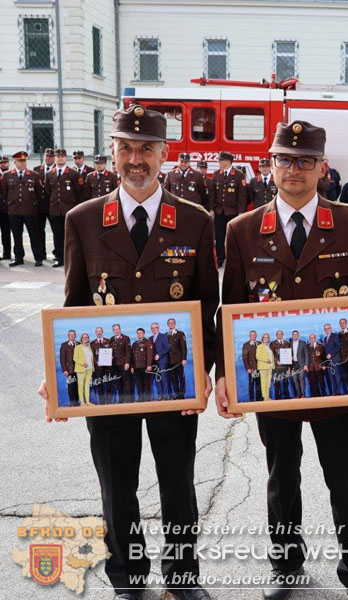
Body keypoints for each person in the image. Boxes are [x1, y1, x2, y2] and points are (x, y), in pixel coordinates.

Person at [41, 103, 219, 600]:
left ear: (165, 154)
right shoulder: (84, 219)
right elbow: (74, 305)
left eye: (146, 149)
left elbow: (208, 306)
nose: (135, 159)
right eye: (126, 149)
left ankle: (183, 578)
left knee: (178, 485)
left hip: (172, 381)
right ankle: (127, 577)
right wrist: (58, 375)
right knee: (117, 486)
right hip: (107, 382)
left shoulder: (194, 221)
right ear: (112, 153)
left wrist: (201, 372)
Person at [213, 119, 348, 600]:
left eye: (305, 160)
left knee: (345, 477)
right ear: (270, 166)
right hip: (275, 383)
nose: (295, 169)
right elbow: (228, 311)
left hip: (336, 383)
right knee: (280, 476)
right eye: (285, 160)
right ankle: (286, 565)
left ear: (322, 167)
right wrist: (225, 374)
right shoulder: (242, 230)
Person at [0, 151, 45, 266]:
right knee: (16, 235)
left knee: (34, 235)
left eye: (24, 161)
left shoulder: (34, 175)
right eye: (20, 161)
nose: (22, 163)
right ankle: (19, 258)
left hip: (30, 210)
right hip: (14, 211)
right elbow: (4, 193)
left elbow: (39, 193)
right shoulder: (7, 175)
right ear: (14, 162)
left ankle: (38, 258)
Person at [45, 148, 84, 268]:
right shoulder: (49, 174)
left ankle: (71, 258)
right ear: (55, 158)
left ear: (66, 158)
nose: (60, 158)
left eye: (62, 156)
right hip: (55, 210)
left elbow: (79, 192)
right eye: (58, 156)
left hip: (69, 210)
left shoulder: (73, 174)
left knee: (70, 236)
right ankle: (60, 258)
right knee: (57, 236)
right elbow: (47, 192)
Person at [209, 151, 247, 267]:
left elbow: (242, 195)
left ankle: (232, 260)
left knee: (233, 236)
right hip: (219, 211)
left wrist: (241, 212)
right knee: (219, 236)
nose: (219, 163)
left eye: (221, 160)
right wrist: (211, 209)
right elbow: (212, 193)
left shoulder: (239, 175)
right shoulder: (216, 174)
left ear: (228, 162)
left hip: (233, 211)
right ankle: (220, 260)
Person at [34, 148, 55, 257]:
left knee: (56, 231)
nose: (48, 158)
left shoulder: (57, 169)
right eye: (47, 156)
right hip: (40, 205)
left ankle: (57, 253)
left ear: (54, 158)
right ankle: (42, 253)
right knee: (39, 230)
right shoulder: (37, 169)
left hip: (53, 205)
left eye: (51, 156)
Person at [109, 324, 132, 403]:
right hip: (115, 365)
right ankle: (121, 399)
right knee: (118, 382)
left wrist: (127, 363)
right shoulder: (111, 339)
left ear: (120, 329)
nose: (116, 331)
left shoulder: (126, 338)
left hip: (123, 364)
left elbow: (128, 352)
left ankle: (127, 399)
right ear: (113, 331)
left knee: (126, 382)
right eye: (114, 329)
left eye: (117, 329)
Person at [166, 318, 188, 400]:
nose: (171, 324)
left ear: (175, 324)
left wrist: (184, 359)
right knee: (173, 379)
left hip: (179, 360)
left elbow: (184, 348)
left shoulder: (180, 334)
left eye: (172, 323)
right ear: (167, 325)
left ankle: (181, 394)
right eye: (169, 323)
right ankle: (176, 394)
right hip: (170, 361)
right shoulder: (166, 335)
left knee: (181, 378)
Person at [131, 328, 154, 402]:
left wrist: (149, 365)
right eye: (138, 333)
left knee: (147, 383)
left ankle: (148, 398)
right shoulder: (135, 344)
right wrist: (132, 366)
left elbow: (149, 354)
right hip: (137, 367)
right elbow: (132, 356)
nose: (139, 334)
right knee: (139, 384)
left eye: (141, 333)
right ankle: (140, 398)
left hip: (145, 366)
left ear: (144, 334)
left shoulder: (147, 342)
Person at [90, 327, 112, 405]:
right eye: (97, 331)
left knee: (109, 385)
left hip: (108, 368)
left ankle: (109, 401)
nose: (99, 333)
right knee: (100, 385)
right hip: (98, 368)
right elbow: (92, 356)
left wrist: (111, 357)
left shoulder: (108, 341)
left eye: (100, 331)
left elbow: (112, 351)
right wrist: (97, 362)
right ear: (95, 333)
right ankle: (102, 402)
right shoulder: (92, 343)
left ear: (102, 332)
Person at [59, 330, 80, 407]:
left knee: (78, 386)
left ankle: (77, 402)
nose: (72, 336)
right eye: (70, 335)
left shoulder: (79, 344)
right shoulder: (64, 345)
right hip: (69, 370)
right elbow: (62, 359)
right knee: (71, 387)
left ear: (75, 336)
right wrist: (64, 369)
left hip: (79, 370)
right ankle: (72, 402)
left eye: (73, 335)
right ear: (68, 336)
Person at [150, 322, 171, 400]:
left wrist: (159, 355)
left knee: (164, 378)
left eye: (155, 327)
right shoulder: (150, 338)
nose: (154, 329)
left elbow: (167, 348)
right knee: (157, 379)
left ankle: (165, 395)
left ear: (158, 328)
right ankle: (160, 395)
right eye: (152, 328)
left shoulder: (163, 336)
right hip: (154, 363)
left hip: (162, 361)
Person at [270, 330, 292, 400]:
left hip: (285, 367)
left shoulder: (287, 343)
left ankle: (287, 396)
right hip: (277, 367)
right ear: (276, 335)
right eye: (278, 334)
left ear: (282, 335)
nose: (279, 335)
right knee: (277, 383)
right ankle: (277, 397)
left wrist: (289, 367)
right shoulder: (273, 344)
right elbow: (271, 355)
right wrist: (276, 361)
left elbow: (289, 355)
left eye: (281, 334)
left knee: (286, 382)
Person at [74, 333, 95, 406]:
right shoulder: (78, 347)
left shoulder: (89, 347)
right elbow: (75, 358)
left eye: (86, 337)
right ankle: (82, 402)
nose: (85, 338)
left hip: (89, 369)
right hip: (81, 369)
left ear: (88, 339)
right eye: (84, 337)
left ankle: (87, 401)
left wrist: (92, 368)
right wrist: (83, 363)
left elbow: (91, 359)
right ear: (81, 339)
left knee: (87, 386)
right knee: (81, 386)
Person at [242, 330, 263, 402]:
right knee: (251, 384)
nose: (253, 336)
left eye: (254, 335)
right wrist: (248, 368)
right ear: (249, 336)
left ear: (256, 336)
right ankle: (251, 399)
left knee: (259, 384)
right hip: (252, 368)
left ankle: (259, 398)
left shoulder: (260, 343)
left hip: (259, 367)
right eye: (252, 335)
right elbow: (244, 357)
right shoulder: (246, 345)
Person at [322, 322, 342, 396]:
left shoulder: (335, 336)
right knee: (331, 377)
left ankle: (338, 391)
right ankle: (334, 392)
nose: (326, 330)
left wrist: (331, 354)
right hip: (329, 362)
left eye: (328, 328)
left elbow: (338, 346)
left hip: (335, 360)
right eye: (325, 329)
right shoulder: (325, 338)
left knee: (337, 376)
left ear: (331, 328)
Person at [289, 330, 309, 398]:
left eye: (296, 334)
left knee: (301, 379)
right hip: (293, 364)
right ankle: (298, 394)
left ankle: (303, 394)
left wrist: (306, 364)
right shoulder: (290, 344)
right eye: (294, 334)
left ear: (298, 335)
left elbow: (306, 354)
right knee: (295, 380)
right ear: (292, 336)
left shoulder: (303, 343)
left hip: (301, 364)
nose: (295, 336)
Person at [256, 333, 275, 400]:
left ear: (269, 339)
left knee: (268, 383)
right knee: (263, 382)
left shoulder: (268, 347)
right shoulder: (259, 346)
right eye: (264, 337)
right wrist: (266, 360)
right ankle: (264, 397)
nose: (266, 338)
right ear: (262, 339)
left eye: (267, 337)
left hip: (270, 367)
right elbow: (258, 356)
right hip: (263, 367)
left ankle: (267, 397)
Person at [0, 155, 11, 260]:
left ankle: (8, 253)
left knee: (7, 232)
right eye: (1, 162)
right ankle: (5, 253)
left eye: (5, 162)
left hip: (9, 208)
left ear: (8, 163)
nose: (3, 164)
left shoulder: (11, 175)